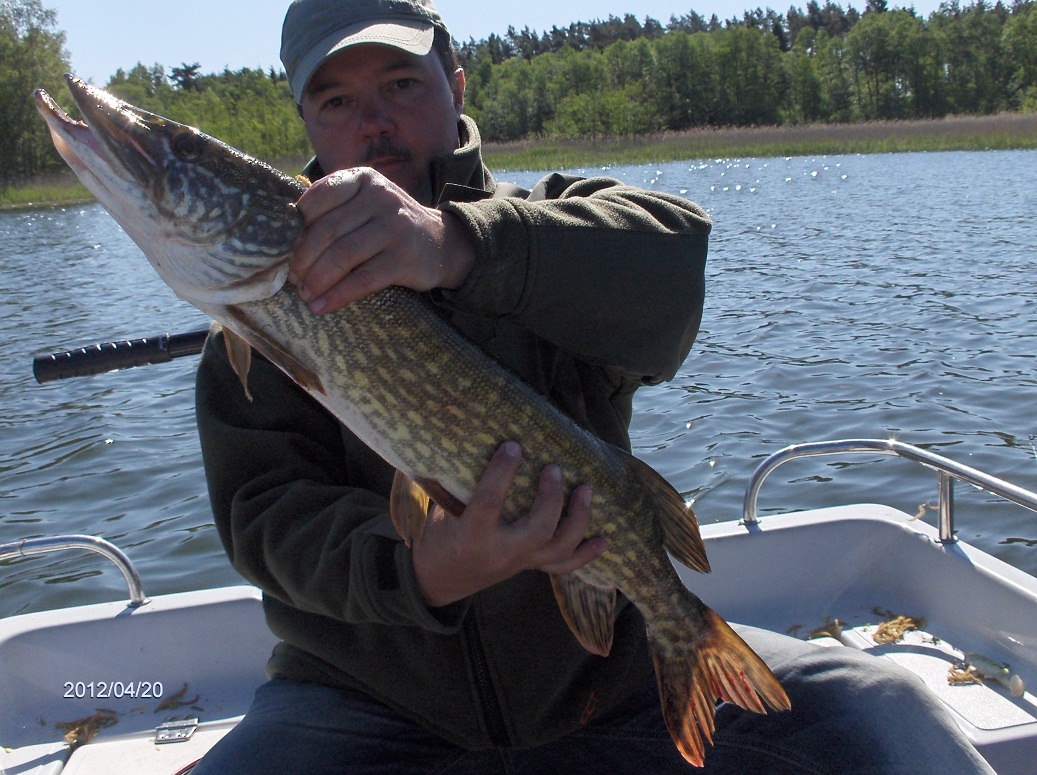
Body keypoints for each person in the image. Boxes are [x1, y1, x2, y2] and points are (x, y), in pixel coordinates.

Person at [191, 1, 996, 773]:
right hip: (361, 706)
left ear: (456, 86)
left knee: (879, 709)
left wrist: (455, 245)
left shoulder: (550, 228)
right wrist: (430, 568)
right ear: (305, 121)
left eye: (400, 84)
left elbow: (672, 262)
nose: (374, 123)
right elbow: (270, 520)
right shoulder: (262, 312)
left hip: (610, 684)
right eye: (336, 100)